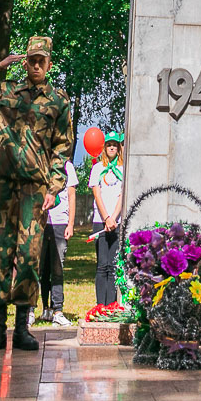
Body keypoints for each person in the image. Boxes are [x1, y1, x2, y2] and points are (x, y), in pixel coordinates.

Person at [0, 35, 74, 354]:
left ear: (49, 64)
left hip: (36, 190)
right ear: (25, 61)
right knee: (1, 254)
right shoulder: (4, 92)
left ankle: (22, 327)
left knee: (28, 256)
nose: (36, 65)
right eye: (31, 60)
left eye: (42, 60)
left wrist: (54, 187)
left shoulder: (58, 100)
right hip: (7, 185)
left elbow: (62, 147)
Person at [40, 151, 78, 324]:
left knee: (57, 268)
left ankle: (57, 310)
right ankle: (43, 308)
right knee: (41, 268)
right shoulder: (40, 164)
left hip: (60, 223)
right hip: (41, 223)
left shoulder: (67, 166)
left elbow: (71, 196)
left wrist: (70, 224)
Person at [90, 131, 125, 305]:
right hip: (100, 222)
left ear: (119, 148)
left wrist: (114, 218)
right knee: (102, 265)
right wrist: (106, 218)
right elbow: (97, 194)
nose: (112, 147)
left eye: (115, 144)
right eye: (109, 144)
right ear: (104, 147)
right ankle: (100, 306)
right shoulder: (97, 168)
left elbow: (122, 196)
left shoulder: (123, 169)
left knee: (113, 266)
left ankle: (111, 305)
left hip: (116, 223)